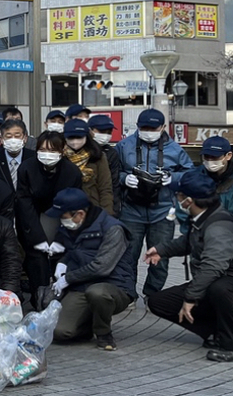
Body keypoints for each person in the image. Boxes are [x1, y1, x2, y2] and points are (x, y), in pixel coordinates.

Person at [146, 173, 233, 362]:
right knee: (158, 301)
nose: (177, 199)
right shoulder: (204, 216)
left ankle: (229, 344)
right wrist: (161, 250)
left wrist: (191, 297)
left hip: (226, 285)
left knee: (218, 288)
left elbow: (213, 266)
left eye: (178, 195)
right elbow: (190, 242)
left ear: (188, 200)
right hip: (212, 283)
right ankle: (215, 332)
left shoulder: (219, 227)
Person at [116, 109, 192, 299]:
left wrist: (172, 178)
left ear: (163, 127)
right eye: (144, 127)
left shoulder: (175, 149)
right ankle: (128, 294)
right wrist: (125, 178)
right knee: (127, 255)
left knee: (161, 257)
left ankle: (153, 294)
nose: (149, 131)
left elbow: (191, 174)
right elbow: (111, 172)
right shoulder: (124, 146)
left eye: (153, 128)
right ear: (138, 127)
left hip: (163, 211)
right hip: (131, 210)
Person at [48, 188, 136, 351]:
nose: (61, 221)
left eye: (63, 217)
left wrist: (67, 278)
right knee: (60, 332)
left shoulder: (113, 229)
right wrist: (62, 263)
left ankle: (103, 333)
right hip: (82, 285)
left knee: (98, 293)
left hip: (114, 286)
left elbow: (101, 267)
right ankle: (87, 324)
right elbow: (72, 251)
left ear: (79, 214)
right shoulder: (73, 226)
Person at [16, 131, 84, 306]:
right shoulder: (27, 168)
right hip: (35, 216)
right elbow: (25, 203)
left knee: (59, 254)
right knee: (36, 256)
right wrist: (37, 237)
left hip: (62, 216)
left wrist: (61, 237)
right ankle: (38, 298)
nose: (47, 154)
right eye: (43, 149)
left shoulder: (72, 172)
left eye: (52, 150)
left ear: (62, 151)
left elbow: (73, 206)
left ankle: (58, 296)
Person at [63, 119, 114, 214]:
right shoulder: (60, 156)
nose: (75, 141)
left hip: (92, 209)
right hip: (65, 211)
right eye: (71, 138)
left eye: (79, 137)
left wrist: (106, 215)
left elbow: (105, 188)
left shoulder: (98, 156)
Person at [89, 115, 123, 214]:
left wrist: (114, 209)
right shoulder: (82, 150)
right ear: (90, 130)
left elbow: (114, 184)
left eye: (109, 132)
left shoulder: (112, 153)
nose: (105, 135)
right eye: (101, 131)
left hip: (105, 204)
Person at [0, 118, 34, 192]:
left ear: (25, 138)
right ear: (1, 139)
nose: (13, 140)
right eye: (8, 136)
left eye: (17, 136)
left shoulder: (33, 158)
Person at [195, 137, 233, 213]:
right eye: (206, 156)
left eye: (215, 157)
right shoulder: (195, 177)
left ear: (228, 156)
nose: (210, 160)